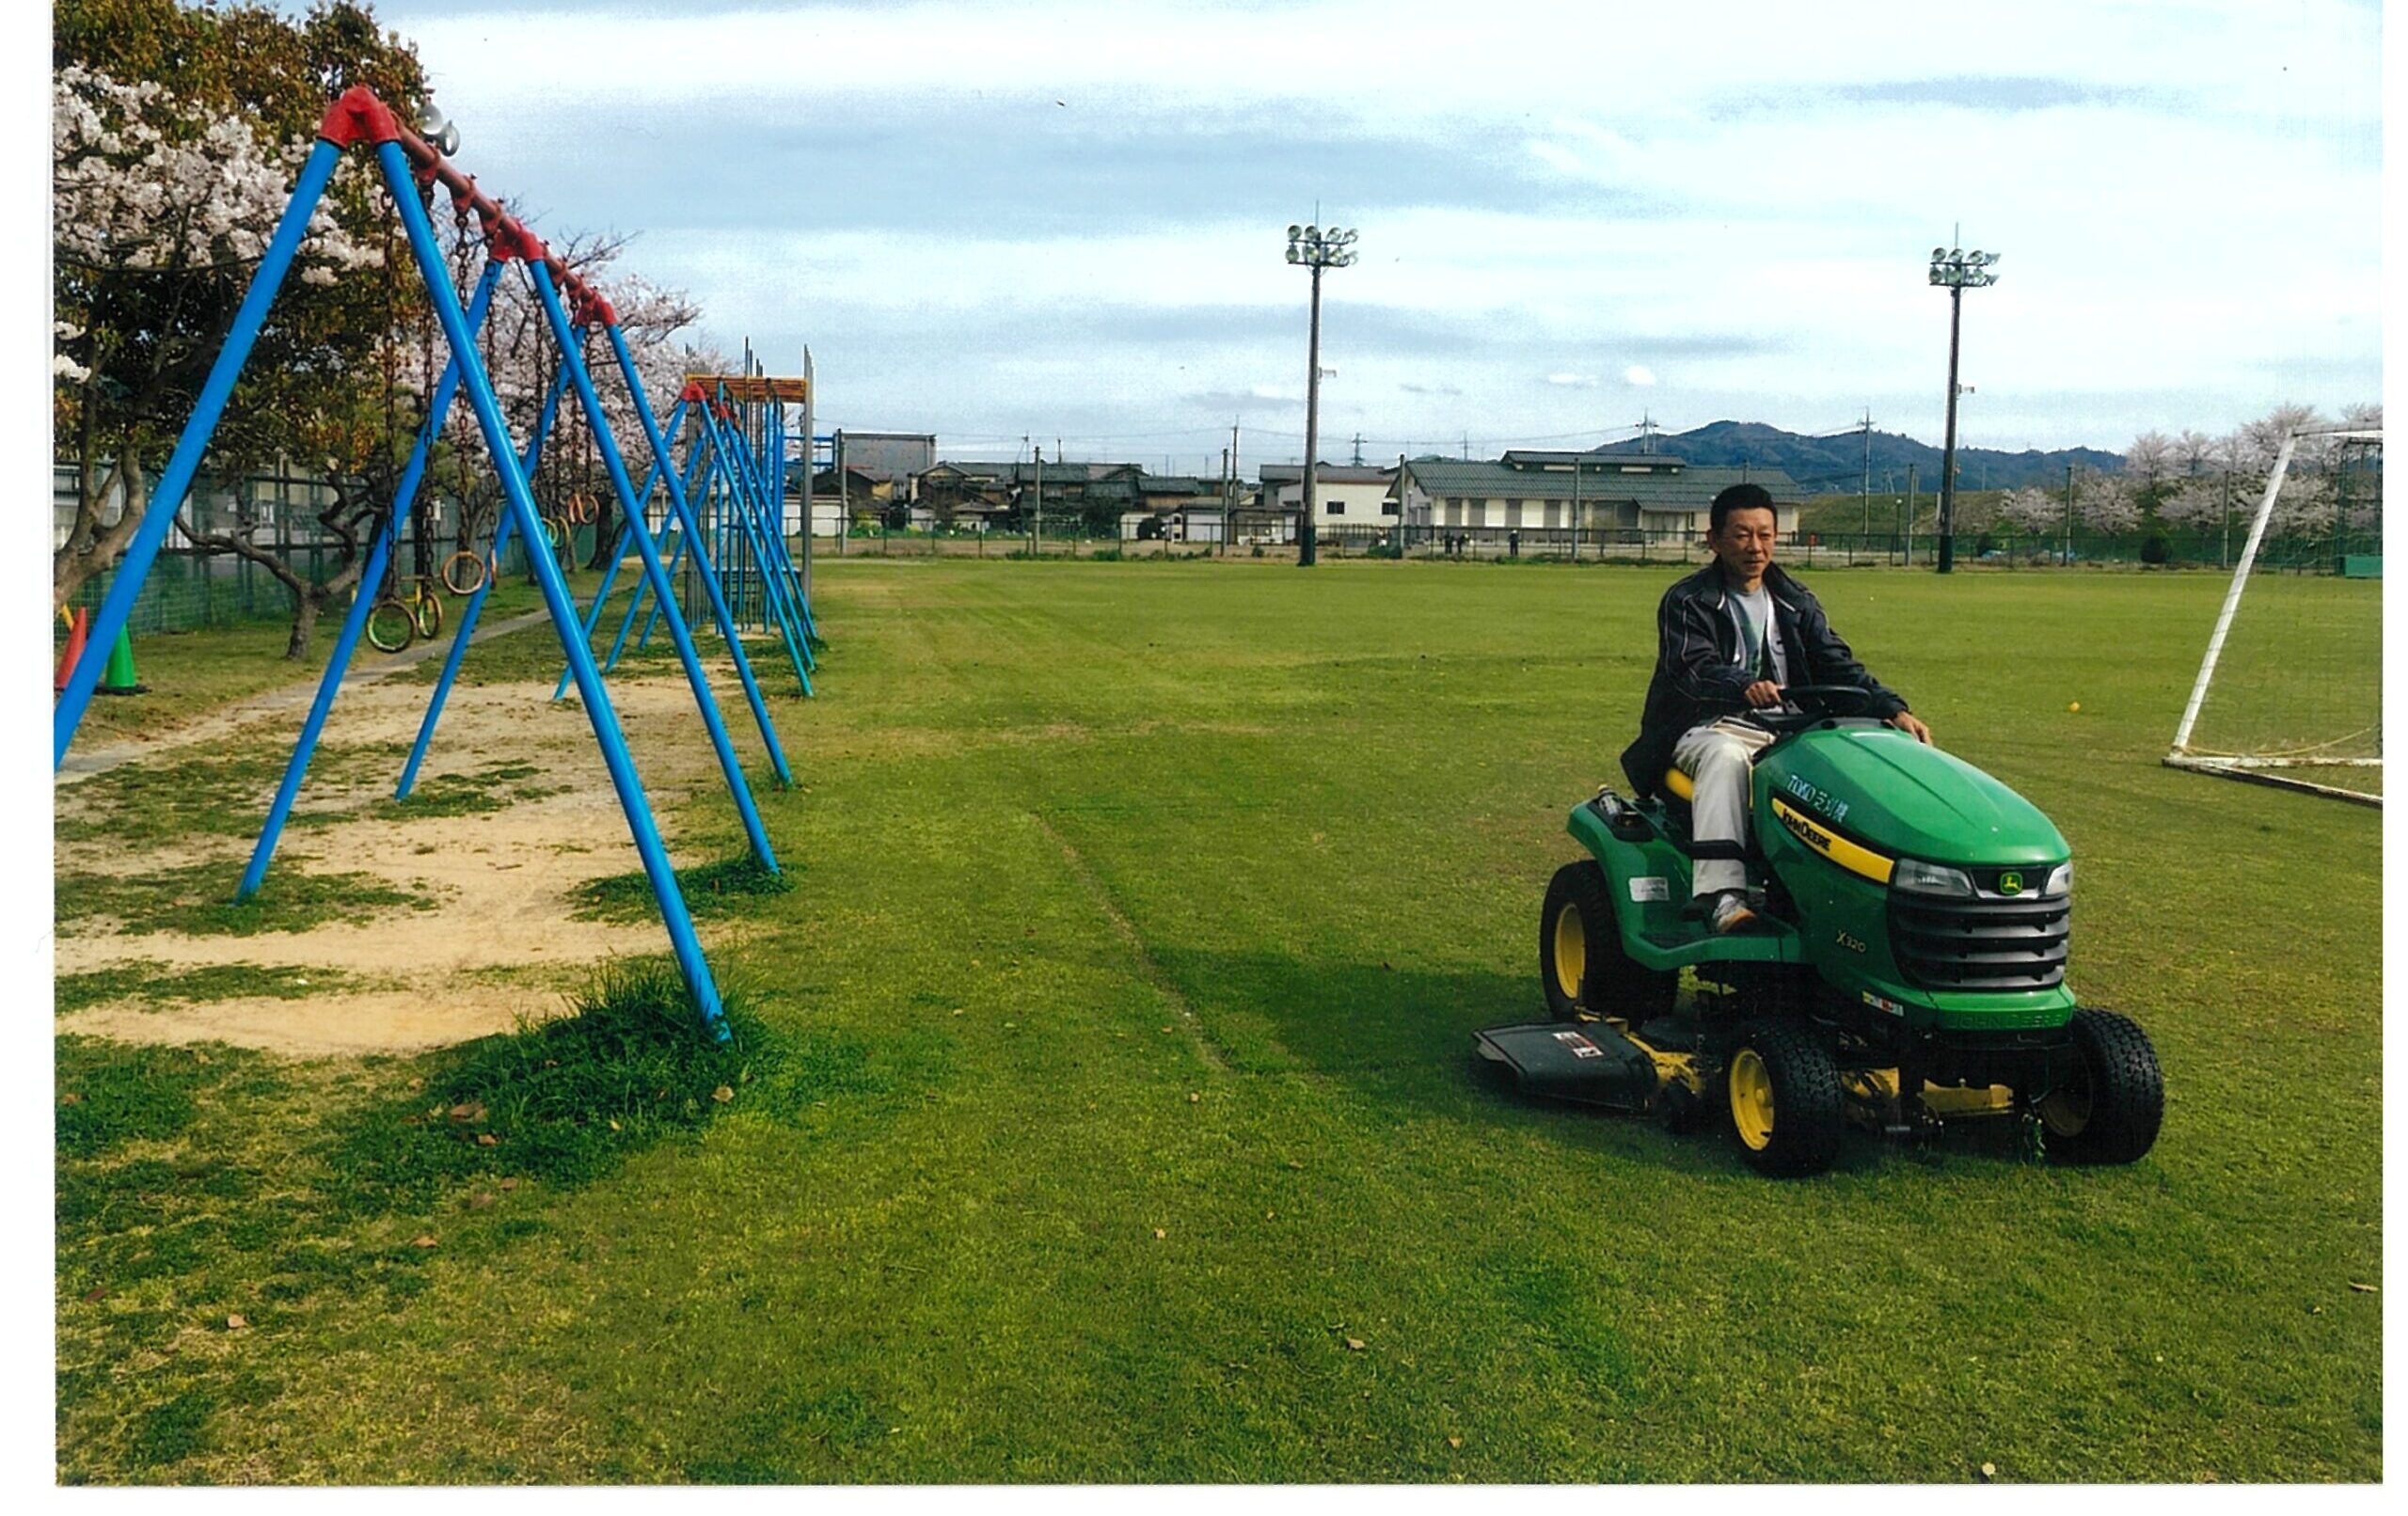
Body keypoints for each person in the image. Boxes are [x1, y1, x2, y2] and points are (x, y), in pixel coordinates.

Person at [1619, 482, 1933, 934]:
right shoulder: (1687, 601)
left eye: (1765, 535)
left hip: (1789, 727)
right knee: (1726, 758)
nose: (1755, 547)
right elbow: (1691, 669)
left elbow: (1837, 663)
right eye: (1742, 535)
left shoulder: (1796, 600)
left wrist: (1892, 708)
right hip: (1706, 727)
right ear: (1714, 540)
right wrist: (1744, 685)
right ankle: (1721, 896)